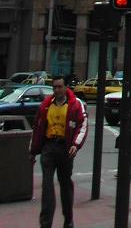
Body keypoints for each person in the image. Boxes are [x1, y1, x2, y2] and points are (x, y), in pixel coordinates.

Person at [30, 74, 88, 228]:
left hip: (65, 149)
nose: (56, 90)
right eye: (54, 87)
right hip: (48, 148)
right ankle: (45, 223)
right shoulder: (46, 105)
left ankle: (68, 219)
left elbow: (82, 125)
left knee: (65, 184)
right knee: (47, 186)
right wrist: (33, 150)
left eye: (59, 87)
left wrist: (75, 144)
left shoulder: (75, 104)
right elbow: (37, 128)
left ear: (66, 87)